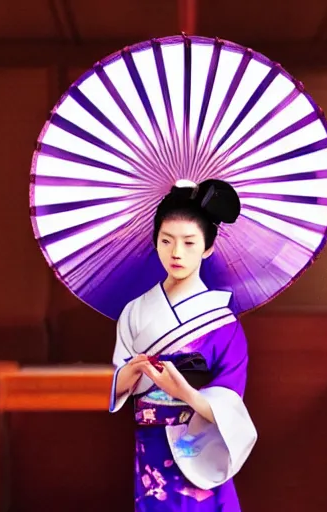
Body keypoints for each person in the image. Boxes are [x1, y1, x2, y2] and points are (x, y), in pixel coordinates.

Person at [109, 179, 257, 511]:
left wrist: (183, 393)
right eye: (166, 241)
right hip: (150, 446)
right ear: (156, 243)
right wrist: (131, 372)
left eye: (189, 243)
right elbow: (117, 383)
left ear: (208, 247)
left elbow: (230, 404)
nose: (176, 253)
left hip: (198, 445)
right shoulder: (134, 312)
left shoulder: (223, 324)